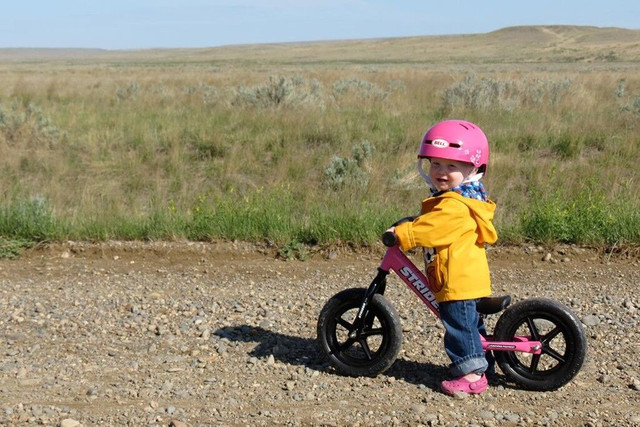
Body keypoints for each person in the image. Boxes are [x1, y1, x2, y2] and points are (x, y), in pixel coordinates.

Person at [390, 119, 498, 395]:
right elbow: (434, 221)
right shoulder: (463, 198)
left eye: (452, 166)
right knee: (471, 327)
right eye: (435, 164)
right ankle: (487, 364)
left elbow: (434, 227)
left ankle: (472, 376)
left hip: (457, 283)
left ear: (473, 168)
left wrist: (404, 234)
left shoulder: (455, 206)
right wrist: (415, 222)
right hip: (465, 278)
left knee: (459, 328)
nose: (441, 171)